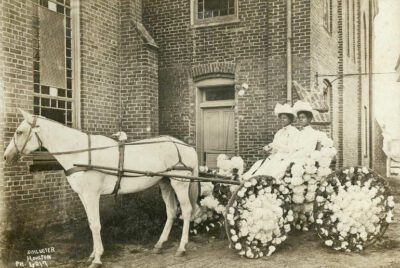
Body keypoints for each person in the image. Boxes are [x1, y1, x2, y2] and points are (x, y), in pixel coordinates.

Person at [243, 103, 299, 179]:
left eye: (285, 118)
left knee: (272, 169)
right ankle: (250, 181)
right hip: (275, 157)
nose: (282, 120)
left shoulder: (294, 132)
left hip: (286, 158)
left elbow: (292, 149)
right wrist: (270, 148)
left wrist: (278, 146)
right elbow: (274, 147)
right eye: (281, 118)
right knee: (258, 164)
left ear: (290, 119)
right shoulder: (279, 132)